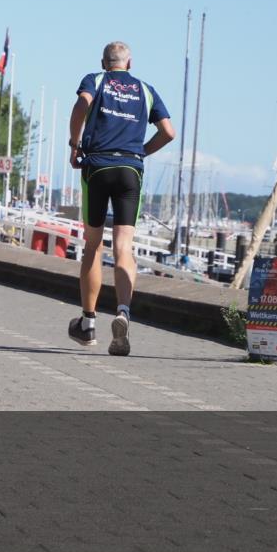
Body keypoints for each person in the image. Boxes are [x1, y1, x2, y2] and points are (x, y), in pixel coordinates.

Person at [66, 41, 175, 356]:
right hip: (131, 168)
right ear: (130, 63)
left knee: (94, 245)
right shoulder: (146, 89)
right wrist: (142, 151)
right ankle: (123, 311)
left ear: (104, 62)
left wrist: (75, 144)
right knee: (125, 245)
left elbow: (81, 106)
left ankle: (88, 323)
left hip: (98, 165)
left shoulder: (95, 80)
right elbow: (168, 131)